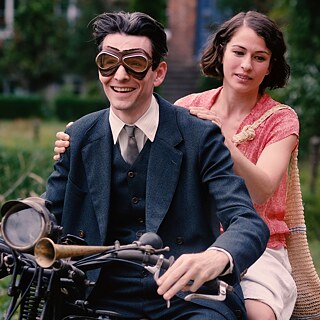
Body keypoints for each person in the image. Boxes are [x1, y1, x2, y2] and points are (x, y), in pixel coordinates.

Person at [54, 10, 299, 320]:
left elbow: (259, 198)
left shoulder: (269, 120)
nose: (120, 75)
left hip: (204, 266)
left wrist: (218, 138)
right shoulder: (187, 108)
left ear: (158, 73)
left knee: (255, 313)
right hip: (103, 285)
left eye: (136, 63)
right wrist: (77, 143)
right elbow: (50, 215)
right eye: (108, 62)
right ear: (222, 54)